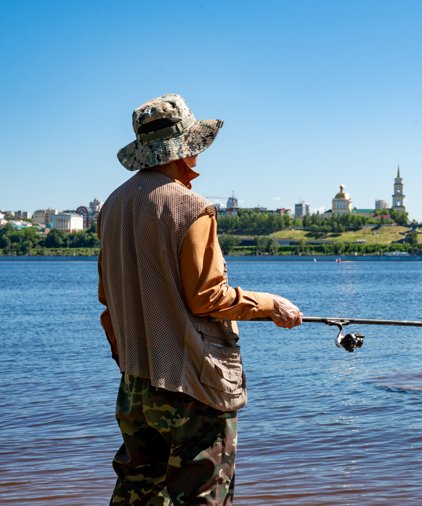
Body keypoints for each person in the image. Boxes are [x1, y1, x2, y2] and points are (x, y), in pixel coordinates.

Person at [98, 93, 303, 505]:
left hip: (135, 386)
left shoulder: (112, 206)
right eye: (194, 148)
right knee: (203, 497)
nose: (198, 159)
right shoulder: (192, 207)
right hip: (191, 385)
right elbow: (208, 297)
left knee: (136, 495)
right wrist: (270, 304)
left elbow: (108, 304)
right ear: (185, 149)